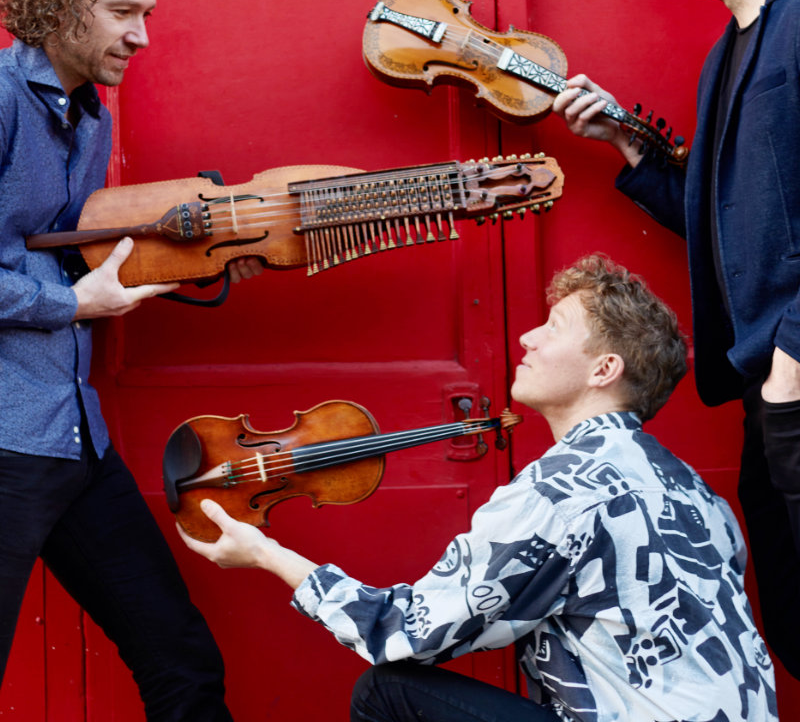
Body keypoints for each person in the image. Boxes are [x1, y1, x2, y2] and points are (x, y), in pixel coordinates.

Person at [178, 254, 777, 722]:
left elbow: (405, 635)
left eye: (554, 327)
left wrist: (266, 555)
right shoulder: (697, 493)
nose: (527, 339)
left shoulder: (563, 488)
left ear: (603, 370)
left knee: (388, 693)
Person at [0, 0, 262, 719]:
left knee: (180, 660)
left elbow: (72, 249)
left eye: (147, 12)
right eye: (124, 12)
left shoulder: (91, 115)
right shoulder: (3, 100)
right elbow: (66, 285)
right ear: (62, 1)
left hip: (74, 437)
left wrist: (207, 256)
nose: (142, 36)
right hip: (5, 444)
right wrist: (66, 303)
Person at [552, 0, 800, 679]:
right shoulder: (726, 55)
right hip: (766, 398)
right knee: (797, 628)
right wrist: (629, 149)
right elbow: (731, 221)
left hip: (793, 381)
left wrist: (794, 361)